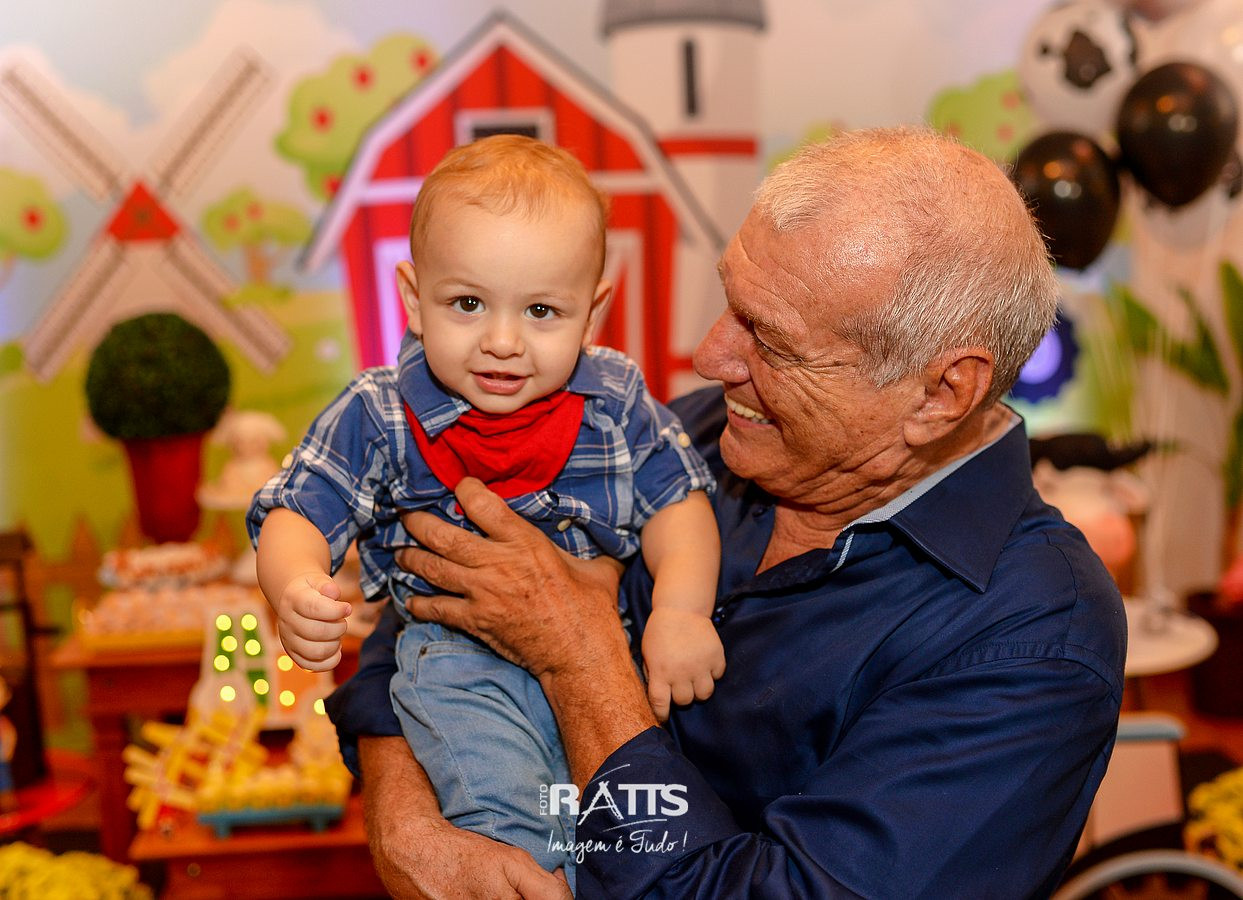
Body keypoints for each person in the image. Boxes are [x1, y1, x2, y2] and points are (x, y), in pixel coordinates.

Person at [328, 127, 1127, 898]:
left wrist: (582, 663)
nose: (710, 357)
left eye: (770, 342)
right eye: (730, 302)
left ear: (940, 392)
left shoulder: (1032, 639)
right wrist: (404, 821)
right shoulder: (701, 433)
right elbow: (440, 588)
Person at [249, 135, 724, 885]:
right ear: (414, 300)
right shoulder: (380, 413)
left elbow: (678, 505)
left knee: (611, 841)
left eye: (541, 310)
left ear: (591, 313)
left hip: (611, 660)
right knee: (512, 835)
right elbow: (299, 509)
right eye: (467, 303)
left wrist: (681, 612)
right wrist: (296, 583)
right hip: (458, 667)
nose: (502, 342)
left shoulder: (616, 400)